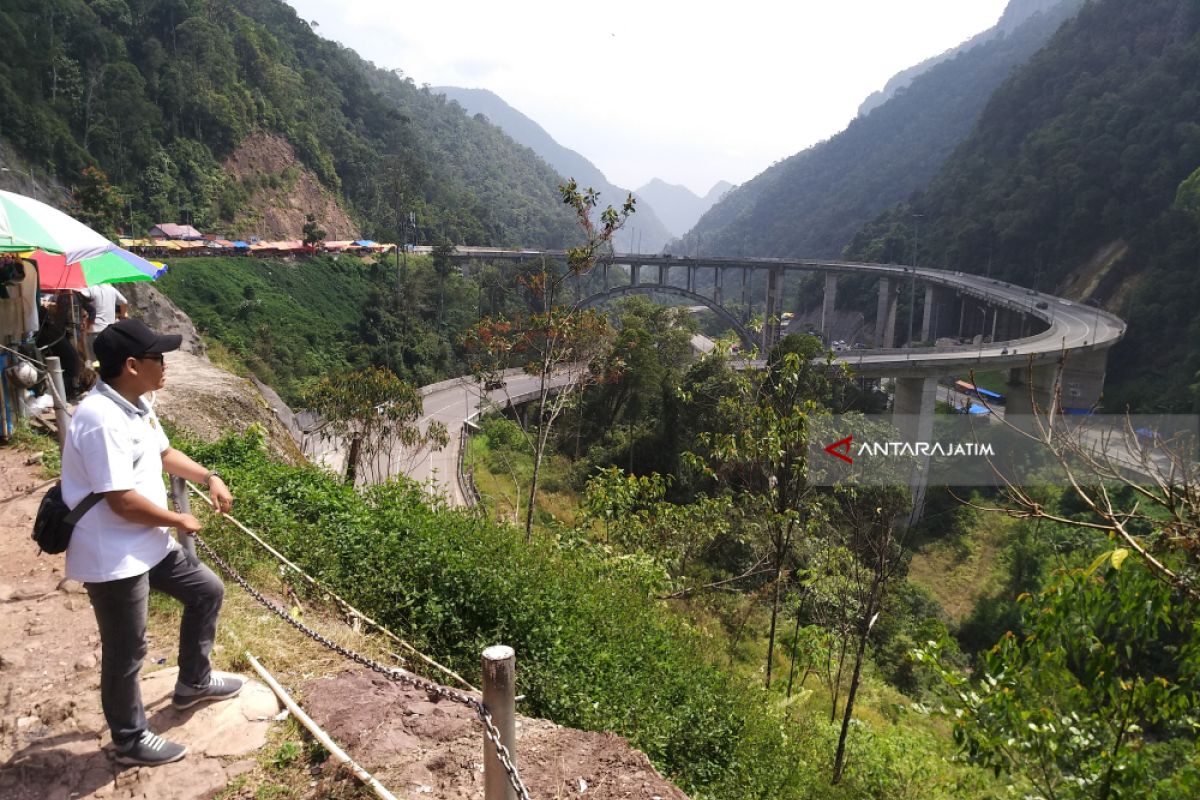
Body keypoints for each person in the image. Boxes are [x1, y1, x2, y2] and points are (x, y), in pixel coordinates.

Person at [61, 318, 242, 767]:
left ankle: (193, 683)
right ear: (131, 365)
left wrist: (208, 476)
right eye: (158, 358)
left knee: (206, 590)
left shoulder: (136, 403)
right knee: (127, 650)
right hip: (113, 553)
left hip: (148, 541)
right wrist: (178, 517)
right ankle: (129, 738)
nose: (165, 365)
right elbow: (120, 501)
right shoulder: (100, 419)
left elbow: (163, 454)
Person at [77, 283, 128, 360]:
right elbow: (124, 302)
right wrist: (123, 316)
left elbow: (79, 296)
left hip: (94, 330)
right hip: (110, 330)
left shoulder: (90, 289)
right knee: (109, 359)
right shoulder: (112, 289)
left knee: (95, 361)